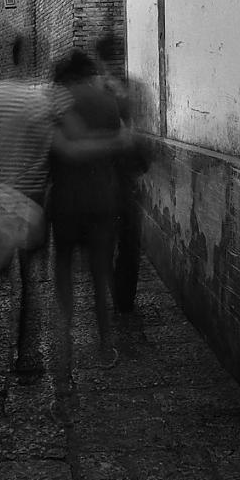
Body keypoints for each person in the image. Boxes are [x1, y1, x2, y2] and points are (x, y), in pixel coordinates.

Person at [49, 49, 127, 368]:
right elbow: (121, 149)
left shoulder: (57, 103)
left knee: (64, 268)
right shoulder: (108, 102)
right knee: (99, 273)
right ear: (88, 73)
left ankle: (65, 342)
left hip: (66, 200)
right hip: (101, 200)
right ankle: (105, 345)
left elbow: (52, 152)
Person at [0, 36, 53, 378]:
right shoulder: (39, 102)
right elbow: (48, 154)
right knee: (30, 280)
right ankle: (25, 357)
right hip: (31, 198)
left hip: (1, 193)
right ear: (34, 58)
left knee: (3, 272)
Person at [94, 33, 149, 313]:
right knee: (115, 237)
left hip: (121, 176)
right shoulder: (99, 91)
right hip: (106, 176)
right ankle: (116, 292)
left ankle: (123, 298)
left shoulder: (131, 87)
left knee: (127, 238)